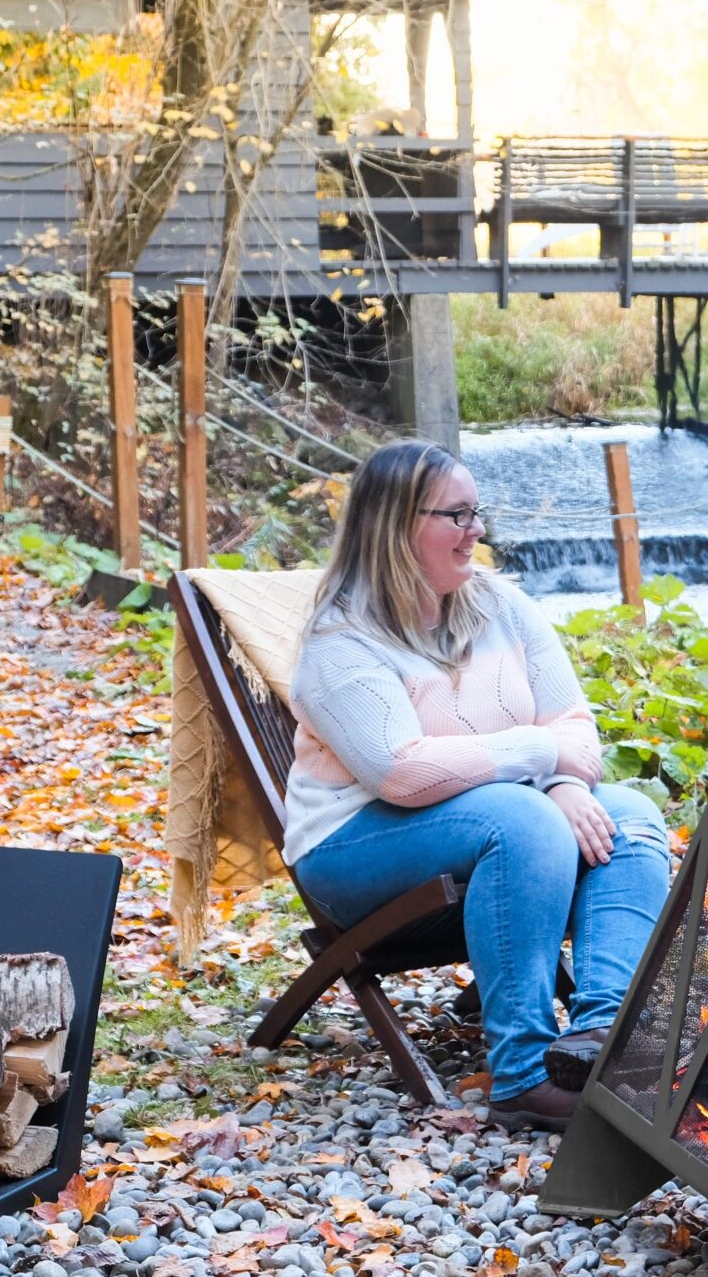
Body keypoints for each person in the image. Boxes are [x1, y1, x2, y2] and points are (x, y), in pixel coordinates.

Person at [282, 440, 670, 1129]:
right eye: (457, 515)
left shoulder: (500, 606)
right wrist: (541, 763)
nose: (477, 530)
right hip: (352, 847)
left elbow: (577, 731)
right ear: (397, 529)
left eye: (477, 511)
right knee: (522, 822)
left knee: (632, 815)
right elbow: (402, 772)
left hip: (493, 815)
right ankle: (522, 1072)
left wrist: (559, 780)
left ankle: (602, 1040)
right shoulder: (341, 643)